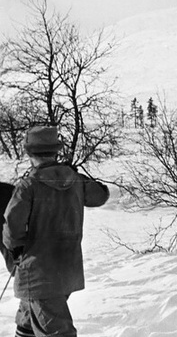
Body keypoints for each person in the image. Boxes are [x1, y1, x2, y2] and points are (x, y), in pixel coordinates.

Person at [3, 125, 110, 337]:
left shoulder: (28, 186)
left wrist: (16, 251)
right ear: (56, 151)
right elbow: (101, 195)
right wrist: (75, 175)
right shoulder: (75, 180)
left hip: (39, 272)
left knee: (57, 332)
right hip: (67, 270)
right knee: (27, 321)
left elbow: (11, 229)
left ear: (29, 153)